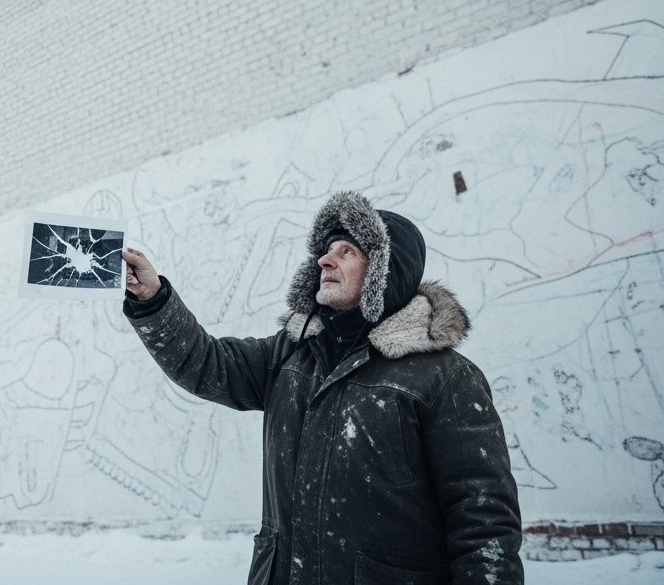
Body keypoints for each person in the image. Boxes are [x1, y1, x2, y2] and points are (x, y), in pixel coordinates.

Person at [122, 191, 523, 584]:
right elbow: (207, 364)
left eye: (347, 251)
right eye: (327, 249)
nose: (325, 259)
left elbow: (483, 524)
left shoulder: (444, 378)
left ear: (387, 270)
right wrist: (153, 300)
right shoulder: (290, 356)